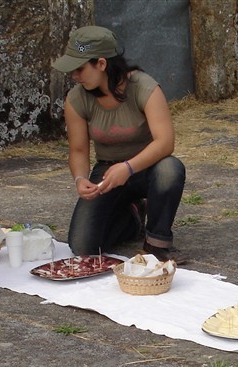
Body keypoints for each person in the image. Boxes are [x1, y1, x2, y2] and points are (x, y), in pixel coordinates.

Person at [52, 26, 187, 264]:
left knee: (170, 169)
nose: (74, 75)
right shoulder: (76, 98)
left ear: (101, 64)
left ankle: (157, 242)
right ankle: (133, 217)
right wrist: (80, 179)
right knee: (83, 248)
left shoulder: (144, 87)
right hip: (108, 172)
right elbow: (78, 150)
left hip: (147, 167)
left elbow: (165, 142)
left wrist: (129, 167)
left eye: (80, 69)